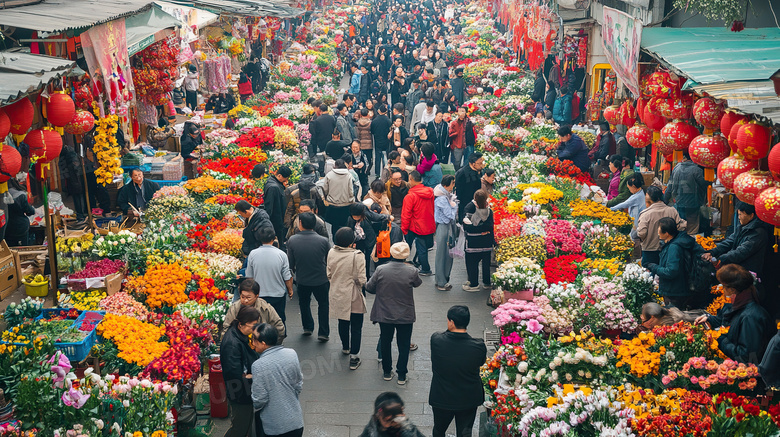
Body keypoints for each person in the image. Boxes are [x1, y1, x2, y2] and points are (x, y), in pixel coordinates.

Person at [695, 264, 776, 364]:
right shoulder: (741, 303)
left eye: (723, 286)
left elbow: (747, 357)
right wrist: (709, 319)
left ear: (732, 289)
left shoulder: (750, 317)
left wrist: (721, 340)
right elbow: (729, 320)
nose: (722, 289)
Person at [366, 242, 422, 385]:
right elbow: (418, 283)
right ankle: (402, 375)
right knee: (403, 344)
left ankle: (386, 371)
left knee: (385, 341)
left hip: (384, 313)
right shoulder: (412, 271)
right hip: (405, 314)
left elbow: (370, 287)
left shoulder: (381, 269)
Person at [429, 306, 487, 437]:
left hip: (442, 397)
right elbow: (481, 362)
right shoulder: (478, 346)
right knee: (465, 432)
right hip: (468, 398)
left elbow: (443, 334)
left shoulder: (436, 340)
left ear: (451, 322)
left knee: (439, 429)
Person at [251, 323, 304, 437]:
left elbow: (260, 399)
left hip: (275, 427)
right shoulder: (291, 354)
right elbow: (299, 383)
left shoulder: (258, 365)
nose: (253, 343)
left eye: (254, 339)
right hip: (296, 421)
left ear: (263, 343)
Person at [328, 227, 368, 370]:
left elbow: (329, 273)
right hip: (353, 294)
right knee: (356, 327)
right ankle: (354, 356)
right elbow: (362, 279)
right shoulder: (357, 255)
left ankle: (345, 347)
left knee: (343, 322)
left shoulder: (331, 252)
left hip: (337, 292)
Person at [287, 212, 331, 341]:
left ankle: (308, 327)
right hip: (321, 279)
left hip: (302, 279)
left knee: (304, 303)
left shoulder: (292, 240)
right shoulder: (323, 241)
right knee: (323, 304)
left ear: (300, 224)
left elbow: (291, 263)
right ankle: (323, 332)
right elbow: (329, 260)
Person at [221, 306, 261, 437]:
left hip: (244, 390)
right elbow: (234, 374)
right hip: (240, 392)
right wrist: (249, 377)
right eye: (253, 326)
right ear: (241, 324)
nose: (255, 329)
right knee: (240, 428)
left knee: (245, 425)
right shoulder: (232, 343)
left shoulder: (240, 336)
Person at [646, 217, 699, 309]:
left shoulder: (674, 247)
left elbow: (671, 271)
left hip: (674, 291)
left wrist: (654, 267)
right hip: (678, 289)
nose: (658, 232)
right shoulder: (674, 243)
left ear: (666, 233)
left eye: (659, 230)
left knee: (674, 317)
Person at [703, 202, 768, 277]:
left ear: (751, 216)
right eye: (738, 214)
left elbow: (741, 252)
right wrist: (713, 252)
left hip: (748, 271)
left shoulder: (758, 233)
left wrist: (720, 259)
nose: (739, 217)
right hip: (738, 265)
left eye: (740, 214)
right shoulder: (743, 226)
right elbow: (730, 241)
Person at [246, 227, 294, 324]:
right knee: (278, 319)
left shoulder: (253, 254)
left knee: (260, 321)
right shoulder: (281, 254)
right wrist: (290, 290)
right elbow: (287, 276)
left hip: (260, 294)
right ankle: (279, 336)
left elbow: (249, 277)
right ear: (274, 239)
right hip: (278, 294)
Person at [635, 186, 686, 266]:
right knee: (667, 272)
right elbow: (681, 226)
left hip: (650, 250)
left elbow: (641, 233)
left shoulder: (645, 214)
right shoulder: (672, 210)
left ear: (649, 199)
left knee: (649, 275)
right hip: (670, 249)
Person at [663, 150, 709, 235]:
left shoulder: (677, 168)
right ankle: (690, 245)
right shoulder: (697, 170)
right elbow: (704, 184)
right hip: (693, 204)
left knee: (681, 226)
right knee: (692, 229)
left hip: (679, 201)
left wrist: (664, 201)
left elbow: (670, 186)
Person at [401, 171, 436, 277]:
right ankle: (418, 262)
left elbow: (406, 214)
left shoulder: (410, 196)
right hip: (429, 224)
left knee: (421, 248)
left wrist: (404, 228)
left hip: (417, 226)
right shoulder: (430, 192)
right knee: (425, 247)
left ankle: (426, 269)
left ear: (411, 179)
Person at [317, 159, 359, 237]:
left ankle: (336, 240)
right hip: (346, 204)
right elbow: (351, 190)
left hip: (333, 204)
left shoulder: (329, 175)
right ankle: (345, 240)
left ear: (335, 166)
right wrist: (352, 199)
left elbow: (325, 188)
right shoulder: (348, 175)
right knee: (345, 224)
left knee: (335, 225)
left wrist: (326, 197)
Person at [462, 189, 494, 292]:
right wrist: (485, 232)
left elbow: (467, 227)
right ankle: (487, 282)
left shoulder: (469, 208)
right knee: (486, 264)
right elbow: (490, 227)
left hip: (472, 242)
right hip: (486, 242)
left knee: (472, 263)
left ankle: (474, 284)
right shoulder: (489, 211)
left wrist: (476, 229)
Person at [348, 202, 391, 277]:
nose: (355, 218)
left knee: (367, 259)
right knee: (358, 260)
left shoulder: (366, 214)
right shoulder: (350, 219)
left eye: (357, 216)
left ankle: (367, 276)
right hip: (357, 241)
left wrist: (388, 217)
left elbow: (377, 217)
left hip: (368, 240)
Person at [358, 392, 425, 437]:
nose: (389, 424)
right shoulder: (372, 428)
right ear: (378, 415)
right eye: (387, 420)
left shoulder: (407, 427)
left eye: (395, 419)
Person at [433, 175, 457, 291]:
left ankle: (443, 279)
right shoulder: (442, 199)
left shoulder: (445, 196)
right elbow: (450, 215)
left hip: (446, 227)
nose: (454, 186)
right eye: (452, 183)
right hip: (444, 227)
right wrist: (454, 206)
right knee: (443, 254)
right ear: (447, 185)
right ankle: (441, 281)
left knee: (447, 254)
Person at [57, 143, 88, 223]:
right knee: (79, 198)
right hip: (76, 181)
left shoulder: (67, 158)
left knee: (77, 198)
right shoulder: (72, 156)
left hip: (73, 181)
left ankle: (80, 215)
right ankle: (82, 214)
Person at [264, 166, 291, 249]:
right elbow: (269, 206)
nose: (286, 180)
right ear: (279, 175)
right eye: (285, 178)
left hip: (278, 219)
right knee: (279, 244)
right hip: (276, 220)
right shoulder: (273, 187)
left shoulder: (274, 184)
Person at [5, 177, 35, 247]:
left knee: (9, 250)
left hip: (7, 228)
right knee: (23, 249)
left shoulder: (2, 196)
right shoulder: (21, 195)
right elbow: (30, 211)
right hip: (21, 227)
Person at [637, 302, 703, 332]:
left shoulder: (667, 326)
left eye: (644, 321)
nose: (643, 323)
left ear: (652, 317)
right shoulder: (666, 312)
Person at [455, 152, 484, 221]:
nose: (482, 165)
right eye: (479, 163)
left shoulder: (480, 171)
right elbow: (459, 192)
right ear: (473, 164)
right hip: (465, 204)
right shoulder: (462, 173)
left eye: (482, 162)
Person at [448, 106, 475, 170]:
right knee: (457, 162)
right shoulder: (454, 123)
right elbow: (450, 134)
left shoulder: (468, 122)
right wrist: (456, 133)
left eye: (463, 111)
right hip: (457, 145)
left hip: (467, 144)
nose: (461, 113)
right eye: (460, 111)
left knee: (467, 162)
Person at [371, 104, 393, 177]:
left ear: (379, 111)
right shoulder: (388, 120)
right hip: (386, 141)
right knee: (387, 156)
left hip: (378, 141)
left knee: (378, 157)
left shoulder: (374, 121)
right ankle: (386, 170)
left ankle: (377, 173)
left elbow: (372, 131)